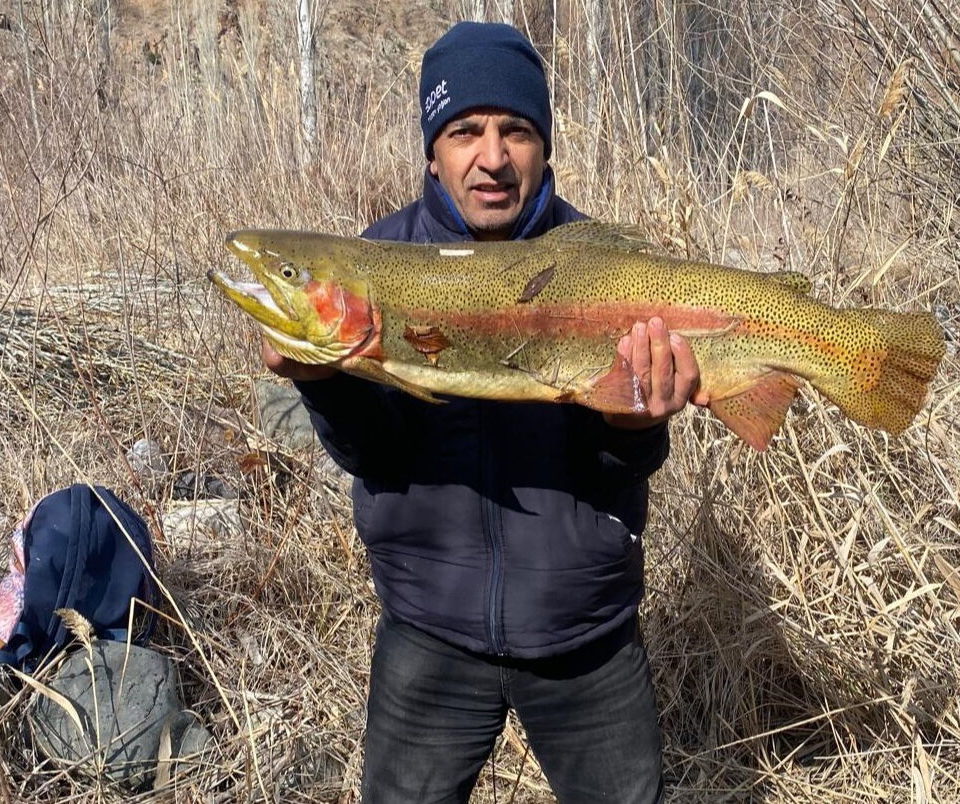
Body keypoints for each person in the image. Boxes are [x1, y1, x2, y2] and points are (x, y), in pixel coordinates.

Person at [264, 21, 704, 803]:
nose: (492, 158)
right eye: (465, 131)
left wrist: (636, 426)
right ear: (433, 148)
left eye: (517, 132)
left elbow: (619, 466)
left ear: (543, 146)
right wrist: (325, 381)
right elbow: (378, 455)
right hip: (428, 629)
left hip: (585, 632)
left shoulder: (602, 267)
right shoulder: (375, 263)